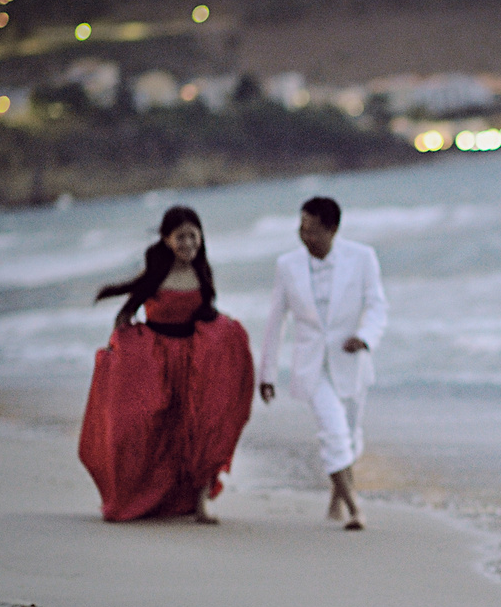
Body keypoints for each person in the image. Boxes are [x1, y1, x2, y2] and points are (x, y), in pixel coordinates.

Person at [78, 206, 254, 523]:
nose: (188, 243)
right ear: (166, 239)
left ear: (201, 237)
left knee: (199, 431)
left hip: (194, 365)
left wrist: (228, 331)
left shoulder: (202, 270)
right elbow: (128, 313)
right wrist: (117, 351)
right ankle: (141, 496)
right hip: (158, 361)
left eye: (193, 236)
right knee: (147, 430)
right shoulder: (157, 271)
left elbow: (206, 313)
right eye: (180, 237)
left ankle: (201, 503)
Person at [258, 196, 388, 529]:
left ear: (332, 229)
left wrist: (366, 336)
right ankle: (355, 507)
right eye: (301, 230)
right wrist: (267, 373)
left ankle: (336, 495)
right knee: (333, 433)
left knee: (351, 435)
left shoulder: (362, 258)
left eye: (313, 232)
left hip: (351, 360)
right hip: (311, 365)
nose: (305, 238)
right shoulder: (287, 265)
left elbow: (377, 306)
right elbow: (276, 321)